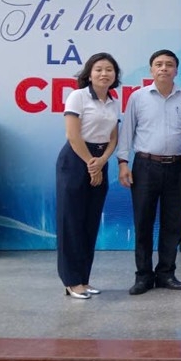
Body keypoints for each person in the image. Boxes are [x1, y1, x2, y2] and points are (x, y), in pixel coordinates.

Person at [116, 49, 181, 295]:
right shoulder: (137, 98)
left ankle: (166, 273)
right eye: (158, 64)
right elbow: (127, 131)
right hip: (145, 167)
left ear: (176, 70)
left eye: (169, 64)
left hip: (178, 167)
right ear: (151, 70)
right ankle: (143, 276)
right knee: (143, 222)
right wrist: (122, 162)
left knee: (173, 223)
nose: (164, 68)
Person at [56, 52, 121, 299]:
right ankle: (71, 281)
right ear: (89, 74)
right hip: (75, 160)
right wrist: (90, 164)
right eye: (99, 69)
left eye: (109, 70)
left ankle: (84, 278)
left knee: (89, 222)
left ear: (115, 76)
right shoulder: (78, 96)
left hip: (99, 159)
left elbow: (113, 137)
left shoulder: (114, 101)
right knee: (70, 221)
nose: (104, 74)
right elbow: (73, 135)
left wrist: (101, 162)